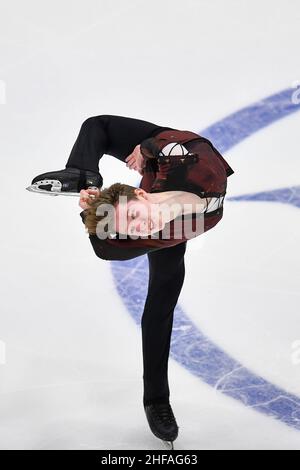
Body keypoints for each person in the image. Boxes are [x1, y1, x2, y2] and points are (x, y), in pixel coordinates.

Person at [27, 114, 234, 447]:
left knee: (100, 125)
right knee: (155, 307)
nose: (140, 228)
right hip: (176, 221)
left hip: (166, 158)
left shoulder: (191, 165)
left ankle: (87, 182)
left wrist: (148, 147)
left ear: (140, 195)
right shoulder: (159, 231)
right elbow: (106, 249)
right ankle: (157, 400)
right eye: (131, 227)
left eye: (135, 216)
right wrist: (91, 209)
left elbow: (196, 142)